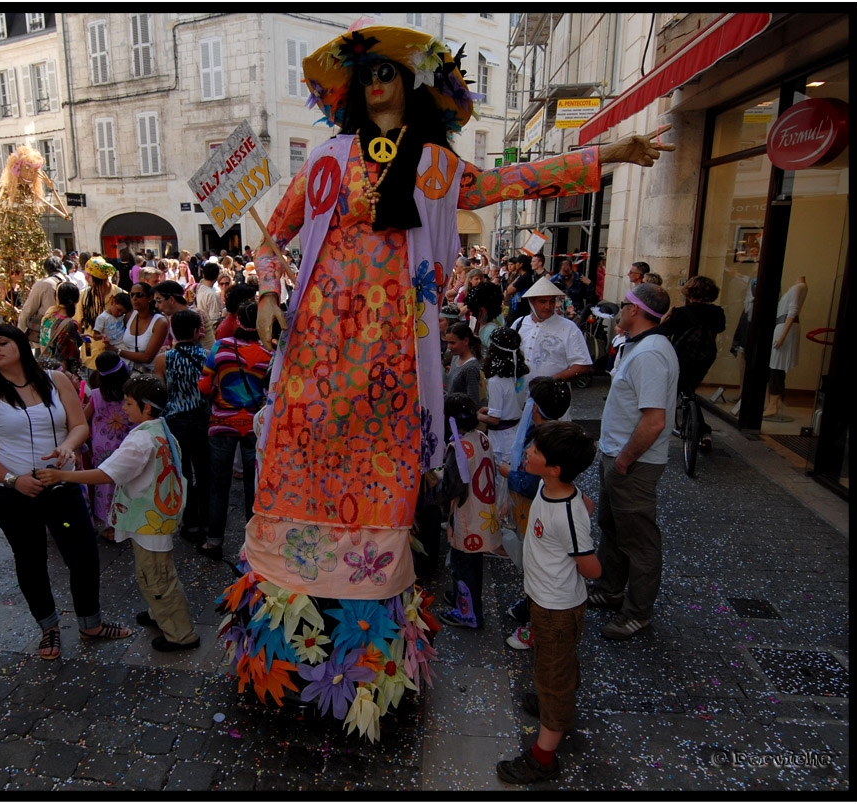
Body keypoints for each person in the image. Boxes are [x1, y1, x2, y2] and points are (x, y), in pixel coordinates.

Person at [234, 22, 672, 728]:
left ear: (410, 86)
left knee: (384, 465)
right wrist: (264, 293)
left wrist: (602, 155)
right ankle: (291, 596)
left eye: (390, 74)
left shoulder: (435, 164)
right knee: (304, 452)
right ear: (354, 90)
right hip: (319, 341)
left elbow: (506, 181)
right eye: (368, 75)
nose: (378, 83)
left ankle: (367, 612)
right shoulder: (325, 160)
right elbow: (271, 235)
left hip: (393, 352)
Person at [0, 324, 133, 661]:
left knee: (83, 556)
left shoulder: (56, 381)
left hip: (62, 487)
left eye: (2, 342)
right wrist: (13, 480)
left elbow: (79, 425)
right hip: (14, 495)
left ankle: (91, 623)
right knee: (30, 561)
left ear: (20, 346)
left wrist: (69, 447)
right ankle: (49, 629)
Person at [38, 375, 199, 653]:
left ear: (146, 407)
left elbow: (106, 473)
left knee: (157, 577)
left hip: (150, 520)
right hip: (158, 515)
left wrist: (62, 475)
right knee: (154, 572)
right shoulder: (161, 429)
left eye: (127, 403)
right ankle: (157, 613)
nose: (123, 408)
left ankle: (181, 634)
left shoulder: (139, 441)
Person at [495, 421, 599, 785]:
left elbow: (590, 566)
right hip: (543, 601)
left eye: (535, 451)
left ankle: (544, 756)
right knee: (552, 662)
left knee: (554, 675)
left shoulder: (566, 513)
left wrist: (601, 566)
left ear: (554, 468)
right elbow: (589, 502)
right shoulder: (549, 486)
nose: (527, 452)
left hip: (558, 607)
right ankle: (555, 698)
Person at [587, 283, 678, 640]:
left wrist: (624, 460)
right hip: (617, 455)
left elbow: (653, 420)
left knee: (639, 540)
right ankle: (611, 588)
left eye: (624, 304)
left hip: (632, 462)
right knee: (613, 527)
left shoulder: (650, 354)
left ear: (636, 310)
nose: (620, 309)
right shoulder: (638, 346)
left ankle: (637, 612)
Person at [499, 377, 576, 651]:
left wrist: (510, 475)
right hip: (531, 512)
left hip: (535, 514)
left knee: (536, 564)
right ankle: (530, 604)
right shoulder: (556, 434)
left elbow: (530, 482)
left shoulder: (544, 443)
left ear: (534, 407)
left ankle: (536, 626)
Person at [196, 300, 271, 560]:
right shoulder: (269, 355)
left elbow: (204, 386)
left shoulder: (222, 347)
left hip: (221, 424)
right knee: (254, 485)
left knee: (219, 485)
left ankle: (213, 541)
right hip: (254, 427)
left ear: (238, 321)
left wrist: (219, 392)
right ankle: (254, 545)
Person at [434, 393, 503, 628]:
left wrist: (429, 496)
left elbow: (451, 486)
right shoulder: (482, 437)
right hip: (483, 514)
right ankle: (468, 599)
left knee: (463, 565)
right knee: (473, 564)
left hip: (467, 517)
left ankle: (469, 613)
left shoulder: (459, 448)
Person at [155, 309, 211, 544]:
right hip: (202, 419)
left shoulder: (163, 359)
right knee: (205, 471)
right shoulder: (208, 356)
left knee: (182, 472)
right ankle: (208, 518)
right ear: (197, 330)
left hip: (175, 421)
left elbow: (161, 391)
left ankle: (190, 522)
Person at [511, 277, 593, 416]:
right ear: (532, 302)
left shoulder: (569, 328)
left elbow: (583, 364)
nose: (548, 306)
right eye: (542, 302)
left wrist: (551, 381)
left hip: (552, 404)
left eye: (551, 301)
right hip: (519, 402)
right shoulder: (519, 324)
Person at [662, 275, 726, 450]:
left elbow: (664, 331)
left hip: (682, 356)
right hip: (705, 357)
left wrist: (667, 316)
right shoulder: (717, 312)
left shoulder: (681, 313)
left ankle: (700, 429)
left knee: (679, 388)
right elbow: (720, 328)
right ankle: (701, 430)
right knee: (689, 390)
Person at [84, 351, 135, 542]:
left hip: (103, 448)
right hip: (127, 443)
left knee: (106, 486)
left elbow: (83, 418)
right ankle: (128, 522)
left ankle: (111, 527)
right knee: (127, 483)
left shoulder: (96, 395)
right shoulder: (132, 392)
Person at [477, 326, 529, 466]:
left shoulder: (496, 381)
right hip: (516, 432)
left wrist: (476, 415)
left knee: (501, 481)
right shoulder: (521, 374)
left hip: (501, 440)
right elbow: (512, 401)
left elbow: (494, 419)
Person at [764, 276, 807, 419]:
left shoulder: (798, 288)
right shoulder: (799, 287)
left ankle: (773, 404)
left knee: (776, 366)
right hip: (783, 326)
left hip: (784, 328)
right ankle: (775, 401)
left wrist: (782, 336)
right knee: (776, 366)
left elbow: (793, 311)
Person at [109, 282, 168, 373]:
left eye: (139, 295)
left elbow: (147, 358)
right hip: (129, 370)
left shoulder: (160, 322)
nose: (134, 298)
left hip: (150, 373)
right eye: (131, 295)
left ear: (150, 298)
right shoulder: (129, 316)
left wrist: (117, 351)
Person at [76, 256, 122, 371]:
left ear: (97, 278)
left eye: (88, 275)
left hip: (115, 355)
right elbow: (77, 324)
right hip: (91, 355)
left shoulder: (120, 295)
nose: (86, 278)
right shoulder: (84, 296)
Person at [18, 255, 67, 352]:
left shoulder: (43, 284)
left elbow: (28, 310)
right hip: (67, 329)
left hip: (47, 334)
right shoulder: (70, 281)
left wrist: (20, 332)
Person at [39, 281, 85, 382]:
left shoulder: (48, 316)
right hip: (61, 375)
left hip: (47, 368)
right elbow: (64, 357)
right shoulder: (69, 325)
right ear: (77, 299)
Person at [445, 321, 485, 408]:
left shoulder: (471, 368)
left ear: (466, 341)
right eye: (448, 342)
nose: (449, 346)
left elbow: (473, 402)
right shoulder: (455, 357)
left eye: (452, 343)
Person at [462, 282, 504, 347]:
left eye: (472, 309)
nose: (470, 312)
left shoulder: (490, 330)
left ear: (482, 310)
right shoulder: (476, 322)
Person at [194, 261, 222, 351]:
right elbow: (214, 320)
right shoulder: (212, 294)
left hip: (198, 331)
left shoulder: (198, 288)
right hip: (207, 334)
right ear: (217, 276)